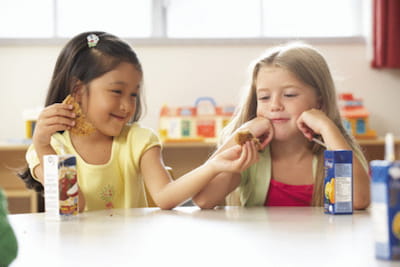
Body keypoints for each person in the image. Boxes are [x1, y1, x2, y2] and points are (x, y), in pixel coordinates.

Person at [18, 31, 253, 211]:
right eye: (117, 92)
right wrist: (42, 145)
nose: (127, 105)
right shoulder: (49, 149)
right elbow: (73, 206)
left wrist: (214, 165)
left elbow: (165, 196)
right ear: (78, 90)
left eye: (133, 94)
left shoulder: (139, 140)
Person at [192, 43, 370, 209]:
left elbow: (358, 199)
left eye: (290, 95)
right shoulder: (250, 155)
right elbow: (203, 199)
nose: (275, 105)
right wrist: (239, 134)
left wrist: (326, 127)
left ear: (319, 102)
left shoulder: (337, 145)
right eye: (264, 97)